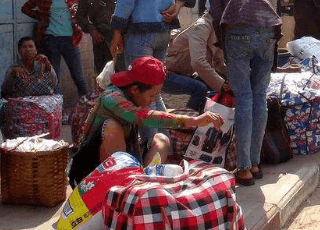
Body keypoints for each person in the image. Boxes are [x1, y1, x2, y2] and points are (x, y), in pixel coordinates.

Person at [68, 56, 223, 187]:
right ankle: (119, 190)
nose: (152, 101)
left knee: (161, 140)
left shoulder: (132, 95)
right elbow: (143, 117)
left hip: (127, 162)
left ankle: (141, 187)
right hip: (89, 174)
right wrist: (193, 120)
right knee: (112, 126)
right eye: (151, 96)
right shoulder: (112, 98)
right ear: (135, 90)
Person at [208, 0, 281, 186]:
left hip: (238, 33)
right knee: (259, 96)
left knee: (244, 97)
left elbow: (218, 17)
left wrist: (225, 48)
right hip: (268, 31)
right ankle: (255, 164)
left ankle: (244, 168)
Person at [21, 0, 88, 97]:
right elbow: (26, 8)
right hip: (51, 40)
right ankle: (57, 109)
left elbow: (84, 11)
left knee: (78, 75)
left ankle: (87, 105)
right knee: (54, 77)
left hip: (71, 40)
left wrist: (81, 23)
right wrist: (42, 16)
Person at [165, 10, 228, 111]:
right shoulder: (202, 26)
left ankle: (205, 120)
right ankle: (188, 123)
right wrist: (221, 85)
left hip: (184, 74)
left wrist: (230, 80)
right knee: (200, 89)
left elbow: (218, 63)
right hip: (166, 74)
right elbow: (198, 62)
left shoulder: (218, 29)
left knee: (215, 87)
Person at [76, 0, 121, 73]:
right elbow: (80, 15)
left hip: (119, 39)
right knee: (103, 75)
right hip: (99, 41)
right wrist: (92, 30)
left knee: (120, 73)